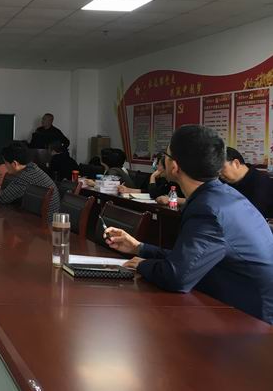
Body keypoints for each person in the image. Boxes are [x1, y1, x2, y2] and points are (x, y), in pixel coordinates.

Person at [105, 125, 273, 325]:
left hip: (249, 322)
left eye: (166, 155)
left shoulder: (208, 209)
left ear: (174, 166)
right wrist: (139, 248)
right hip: (236, 308)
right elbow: (190, 259)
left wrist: (142, 265)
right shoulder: (222, 196)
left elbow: (177, 277)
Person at [0, 143, 60, 219]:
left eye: (6, 163)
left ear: (15, 164)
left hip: (44, 224)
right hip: (40, 219)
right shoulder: (31, 167)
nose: (5, 166)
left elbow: (2, 198)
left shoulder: (25, 177)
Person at [220, 147, 273, 220]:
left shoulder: (261, 185)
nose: (219, 173)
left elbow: (251, 219)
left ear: (236, 163)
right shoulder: (223, 180)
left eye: (221, 168)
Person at [118, 152, 185, 207]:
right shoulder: (165, 180)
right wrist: (128, 190)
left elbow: (189, 200)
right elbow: (153, 193)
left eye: (159, 165)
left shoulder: (177, 181)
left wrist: (171, 199)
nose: (157, 167)